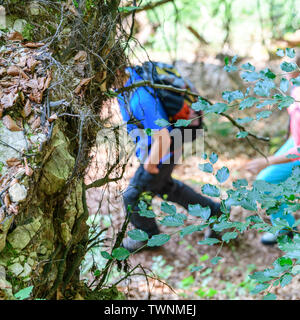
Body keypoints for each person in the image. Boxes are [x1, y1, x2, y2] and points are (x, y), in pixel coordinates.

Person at [117, 63, 222, 252]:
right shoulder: (129, 82)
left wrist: (150, 163)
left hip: (163, 150)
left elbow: (163, 136)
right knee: (166, 188)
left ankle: (149, 236)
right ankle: (215, 213)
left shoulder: (139, 98)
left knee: (132, 196)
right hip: (166, 147)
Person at [245, 61, 300, 245]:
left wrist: (267, 161)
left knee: (265, 180)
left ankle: (285, 229)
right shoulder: (294, 86)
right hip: (295, 141)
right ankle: (285, 227)